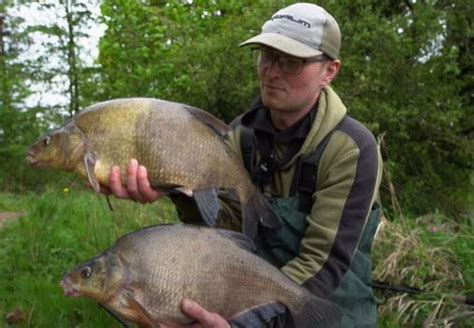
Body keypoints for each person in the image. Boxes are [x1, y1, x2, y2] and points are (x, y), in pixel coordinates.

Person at [101, 3, 383, 327]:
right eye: (266, 55)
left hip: (325, 311)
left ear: (329, 71)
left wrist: (244, 323)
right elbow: (224, 234)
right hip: (248, 298)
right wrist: (178, 189)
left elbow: (322, 266)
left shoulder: (352, 149)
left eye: (290, 61)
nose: (271, 71)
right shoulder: (241, 136)